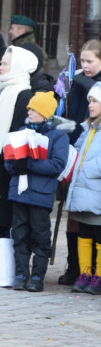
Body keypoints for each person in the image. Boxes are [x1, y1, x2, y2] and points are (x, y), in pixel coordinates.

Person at [0, 45, 38, 283]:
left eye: (5, 64)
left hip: (7, 164)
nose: (0, 67)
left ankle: (9, 269)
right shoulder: (2, 90)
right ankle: (1, 269)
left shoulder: (22, 94)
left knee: (7, 219)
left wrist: (8, 163)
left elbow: (17, 132)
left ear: (18, 67)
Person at [5, 91, 69, 291]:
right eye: (29, 109)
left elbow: (57, 165)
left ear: (45, 112)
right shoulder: (20, 132)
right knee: (19, 235)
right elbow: (8, 161)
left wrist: (29, 164)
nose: (29, 112)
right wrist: (15, 166)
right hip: (20, 193)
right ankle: (21, 274)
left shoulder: (58, 136)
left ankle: (37, 277)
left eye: (34, 109)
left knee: (40, 236)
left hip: (41, 196)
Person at [58, 39, 101, 285]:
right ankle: (76, 267)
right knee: (75, 216)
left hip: (93, 162)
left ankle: (95, 271)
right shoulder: (76, 82)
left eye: (90, 61)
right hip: (78, 150)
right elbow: (73, 115)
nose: (84, 65)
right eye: (82, 60)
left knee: (94, 223)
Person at [65, 83, 101, 295]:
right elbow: (78, 150)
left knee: (99, 234)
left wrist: (85, 168)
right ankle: (84, 272)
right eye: (90, 101)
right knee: (84, 232)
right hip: (84, 190)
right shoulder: (89, 128)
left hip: (96, 191)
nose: (90, 105)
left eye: (95, 101)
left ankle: (99, 276)